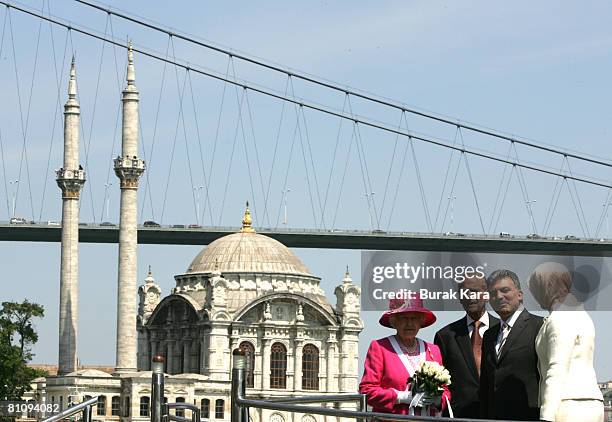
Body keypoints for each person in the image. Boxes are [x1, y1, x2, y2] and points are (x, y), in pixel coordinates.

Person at [528, 262, 604, 422]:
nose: (535, 298)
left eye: (536, 290)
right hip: (588, 403)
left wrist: (546, 416)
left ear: (546, 286)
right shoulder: (581, 314)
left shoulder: (560, 317)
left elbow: (557, 368)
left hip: (567, 406)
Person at [359, 297, 450, 416]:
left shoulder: (433, 350)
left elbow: (446, 391)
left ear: (421, 321)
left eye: (414, 318)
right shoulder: (380, 347)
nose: (409, 323)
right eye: (404, 318)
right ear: (394, 321)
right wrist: (400, 397)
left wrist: (438, 399)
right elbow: (367, 391)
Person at [479, 269, 543, 421]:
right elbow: (485, 387)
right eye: (493, 294)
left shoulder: (539, 326)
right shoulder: (489, 335)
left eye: (505, 290)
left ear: (520, 294)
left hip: (529, 417)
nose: (499, 296)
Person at [434, 275, 499, 418]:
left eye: (475, 291)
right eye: (465, 292)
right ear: (459, 297)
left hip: (497, 413)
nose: (470, 296)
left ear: (486, 295)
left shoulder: (503, 330)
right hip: (459, 415)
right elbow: (439, 385)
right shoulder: (445, 336)